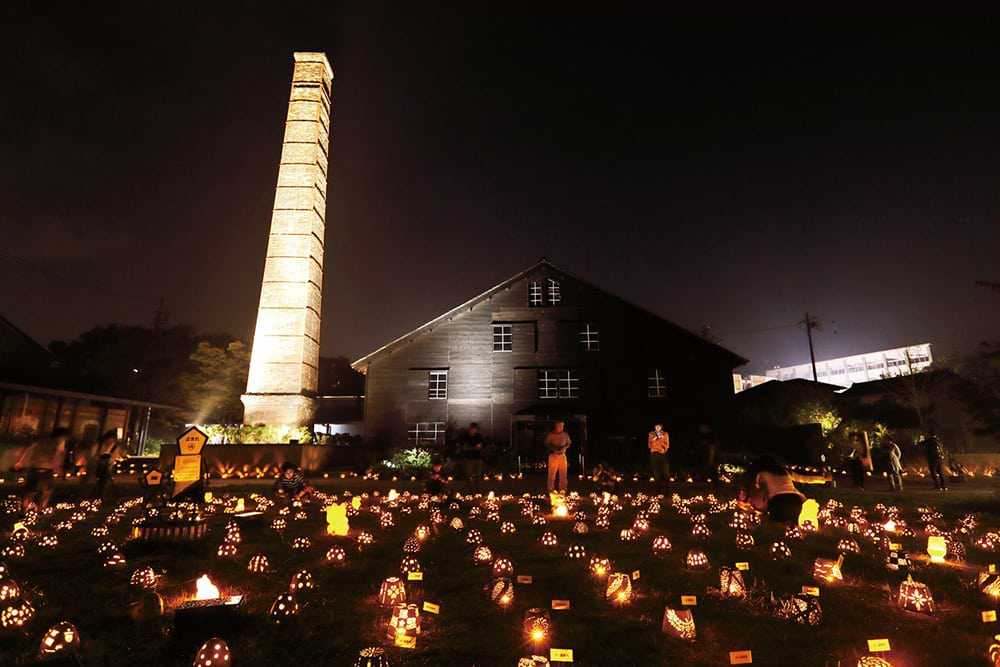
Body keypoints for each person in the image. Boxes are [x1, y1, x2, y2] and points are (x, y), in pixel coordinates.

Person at [739, 455, 830, 523]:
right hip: (796, 501)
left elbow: (758, 490)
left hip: (778, 503)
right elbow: (804, 478)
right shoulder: (785, 472)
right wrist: (823, 479)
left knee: (779, 518)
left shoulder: (761, 475)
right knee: (794, 518)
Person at [14, 427, 69, 511]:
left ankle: (24, 510)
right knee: (47, 491)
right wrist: (57, 469)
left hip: (34, 468)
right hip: (46, 469)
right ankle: (39, 510)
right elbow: (55, 456)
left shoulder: (41, 440)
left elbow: (28, 448)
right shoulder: (59, 442)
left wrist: (20, 461)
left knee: (30, 491)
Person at [544, 420, 571, 494]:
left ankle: (563, 489)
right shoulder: (551, 435)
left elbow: (568, 443)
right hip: (553, 455)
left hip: (562, 455)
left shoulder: (565, 434)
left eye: (562, 426)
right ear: (556, 426)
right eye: (560, 426)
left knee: (563, 474)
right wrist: (554, 447)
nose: (561, 427)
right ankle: (551, 489)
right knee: (552, 474)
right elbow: (546, 443)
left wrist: (564, 447)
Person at [91, 431, 119, 500]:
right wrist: (98, 459)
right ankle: (93, 493)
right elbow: (92, 455)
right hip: (97, 465)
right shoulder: (99, 445)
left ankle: (102, 495)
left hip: (108, 466)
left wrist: (109, 463)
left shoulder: (114, 447)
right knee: (98, 480)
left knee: (105, 480)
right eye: (109, 440)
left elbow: (114, 458)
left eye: (112, 440)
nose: (110, 442)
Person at [459, 423, 484, 494]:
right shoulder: (466, 437)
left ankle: (478, 490)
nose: (472, 430)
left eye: (474, 429)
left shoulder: (479, 436)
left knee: (478, 475)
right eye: (471, 429)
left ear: (476, 430)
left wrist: (470, 447)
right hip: (468, 459)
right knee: (468, 475)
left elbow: (479, 448)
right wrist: (474, 447)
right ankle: (470, 490)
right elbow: (465, 448)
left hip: (478, 459)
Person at [648, 423, 670, 491]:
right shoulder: (651, 434)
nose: (657, 427)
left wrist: (662, 444)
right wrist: (654, 439)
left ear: (661, 427)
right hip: (654, 454)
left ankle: (667, 488)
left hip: (662, 454)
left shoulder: (665, 434)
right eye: (656, 426)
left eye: (659, 426)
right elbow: (649, 444)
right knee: (656, 471)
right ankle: (658, 489)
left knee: (665, 471)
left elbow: (667, 445)